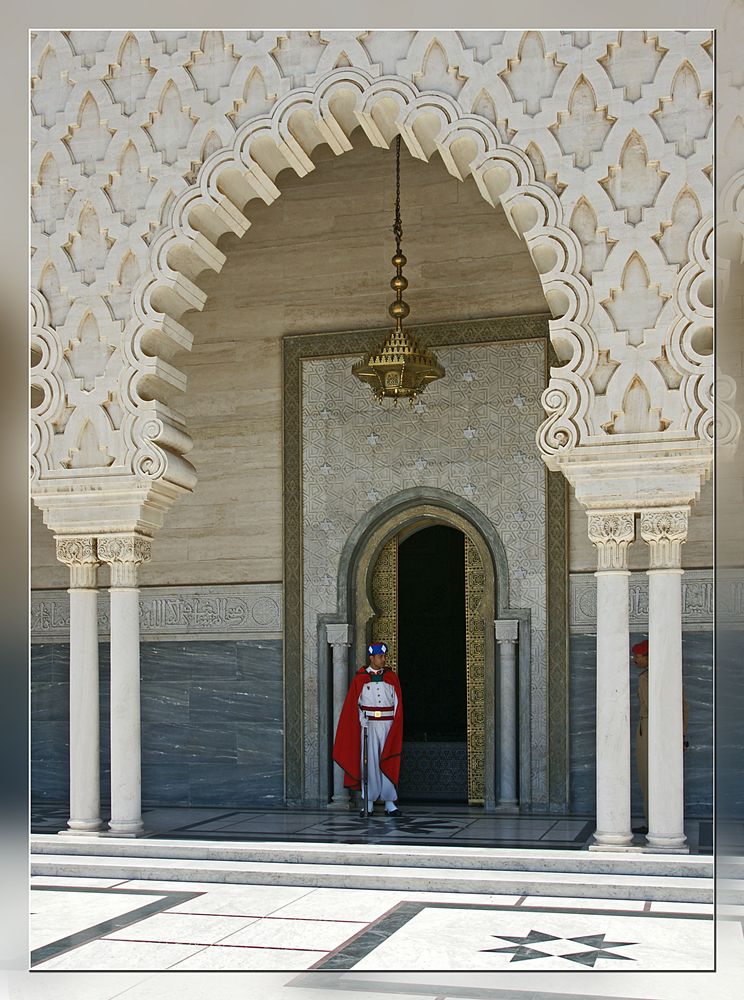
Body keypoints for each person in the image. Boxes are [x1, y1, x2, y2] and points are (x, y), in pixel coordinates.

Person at [332, 641, 404, 818]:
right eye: (380, 656)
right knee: (369, 763)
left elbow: (397, 703)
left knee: (388, 760)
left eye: (384, 656)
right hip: (369, 725)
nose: (383, 659)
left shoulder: (391, 677)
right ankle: (368, 803)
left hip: (387, 725)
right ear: (371, 658)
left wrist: (395, 725)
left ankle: (389, 803)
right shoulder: (360, 679)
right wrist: (361, 718)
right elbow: (353, 705)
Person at [632, 638, 689, 835]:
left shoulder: (645, 678)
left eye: (638, 656)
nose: (634, 659)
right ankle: (666, 822)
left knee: (648, 777)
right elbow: (683, 707)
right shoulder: (668, 675)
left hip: (649, 730)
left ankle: (654, 824)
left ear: (648, 658)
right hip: (667, 731)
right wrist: (680, 734)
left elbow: (653, 708)